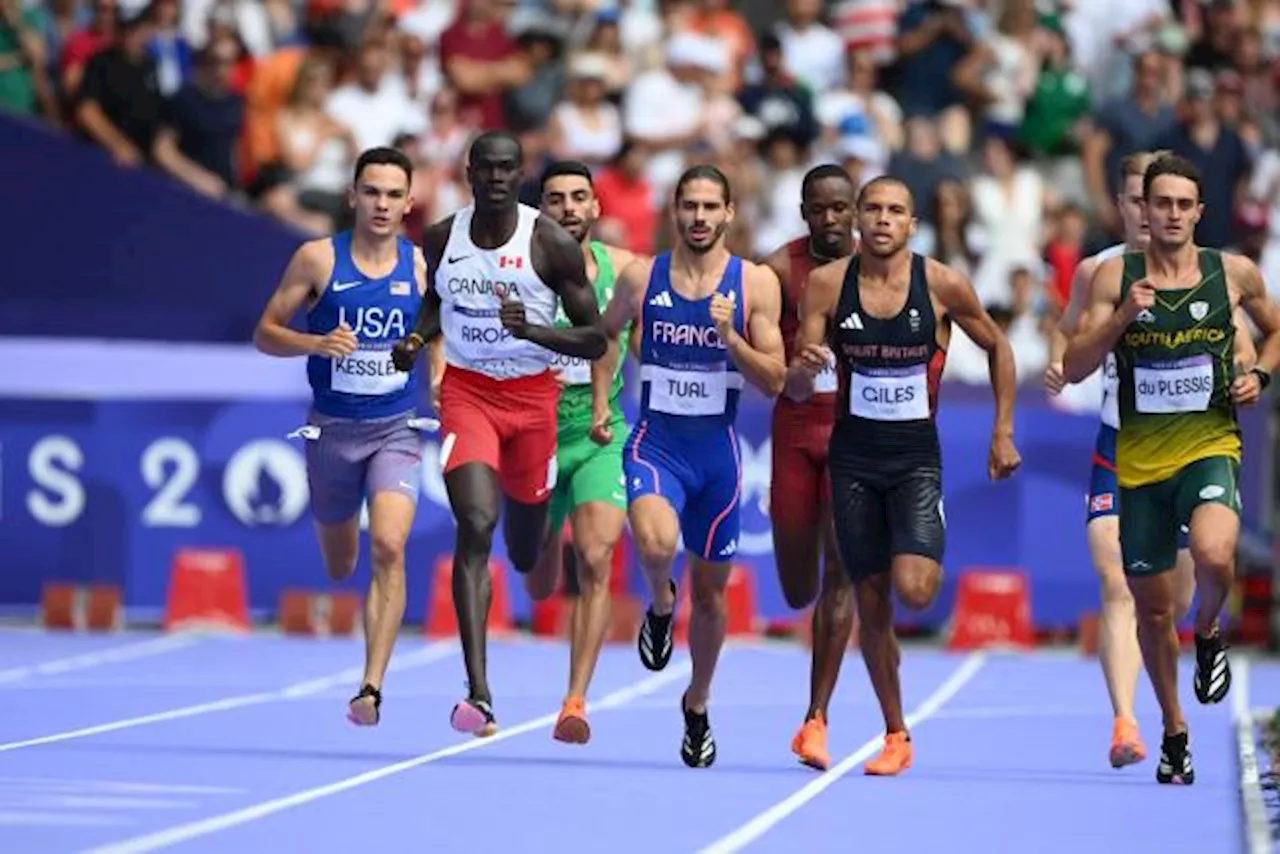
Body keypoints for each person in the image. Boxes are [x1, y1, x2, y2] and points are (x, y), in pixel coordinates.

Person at [788, 176, 1021, 776]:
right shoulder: (825, 285)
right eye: (874, 209)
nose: (884, 219)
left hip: (916, 459)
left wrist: (1002, 430)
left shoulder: (940, 284)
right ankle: (877, 730)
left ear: (912, 223)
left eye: (896, 210)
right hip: (853, 460)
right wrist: (804, 366)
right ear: (859, 220)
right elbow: (796, 383)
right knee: (868, 601)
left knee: (916, 589)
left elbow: (999, 347)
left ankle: (879, 723)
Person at [1064, 154, 1280, 785]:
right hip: (1137, 468)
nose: (1173, 215)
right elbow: (1075, 364)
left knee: (1216, 556)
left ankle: (1209, 631)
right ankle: (1173, 730)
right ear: (1143, 210)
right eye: (1162, 204)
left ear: (1199, 213)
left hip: (1209, 446)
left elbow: (1274, 331)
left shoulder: (1231, 272)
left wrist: (1260, 373)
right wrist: (1123, 317)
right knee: (1154, 613)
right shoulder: (1113, 278)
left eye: (1186, 205)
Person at [390, 131, 608, 738]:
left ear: (520, 176)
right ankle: (479, 693)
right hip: (468, 395)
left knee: (523, 548)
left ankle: (535, 535)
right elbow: (435, 303)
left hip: (534, 402)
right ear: (468, 173)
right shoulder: (442, 237)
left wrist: (535, 332)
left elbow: (596, 341)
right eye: (484, 168)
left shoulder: (550, 242)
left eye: (507, 169)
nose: (495, 178)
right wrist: (416, 339)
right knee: (476, 525)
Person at [598, 164, 787, 768]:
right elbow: (606, 336)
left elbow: (776, 380)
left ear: (730, 212)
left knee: (710, 600)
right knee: (654, 542)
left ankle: (698, 703)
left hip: (719, 462)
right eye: (690, 207)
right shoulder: (640, 275)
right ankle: (658, 602)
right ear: (674, 212)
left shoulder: (754, 283)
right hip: (656, 444)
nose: (700, 218)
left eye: (711, 207)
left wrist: (731, 339)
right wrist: (602, 401)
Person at [253, 146, 429, 727]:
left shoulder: (420, 266)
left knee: (388, 546)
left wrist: (442, 376)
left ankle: (371, 686)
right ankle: (339, 540)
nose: (382, 204)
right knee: (339, 561)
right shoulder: (317, 260)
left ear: (409, 202)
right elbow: (265, 334)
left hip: (396, 427)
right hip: (331, 429)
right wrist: (316, 342)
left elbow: (438, 334)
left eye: (392, 194)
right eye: (371, 192)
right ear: (353, 196)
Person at [524, 160, 640, 744]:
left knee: (596, 558)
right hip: (532, 435)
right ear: (539, 210)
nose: (568, 208)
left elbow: (652, 341)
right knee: (540, 581)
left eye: (578, 198)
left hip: (600, 435)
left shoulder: (623, 271)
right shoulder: (517, 270)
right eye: (555, 199)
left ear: (596, 207)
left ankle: (575, 701)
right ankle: (539, 543)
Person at [761, 164, 858, 771]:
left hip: (856, 437)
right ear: (804, 211)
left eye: (840, 208)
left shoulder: (885, 265)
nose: (830, 220)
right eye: (819, 209)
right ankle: (815, 712)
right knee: (798, 587)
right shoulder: (777, 270)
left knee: (841, 574)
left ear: (854, 209)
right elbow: (766, 357)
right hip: (796, 431)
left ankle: (816, 718)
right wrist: (790, 364)